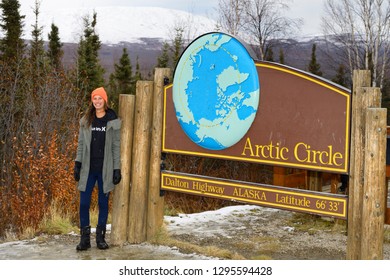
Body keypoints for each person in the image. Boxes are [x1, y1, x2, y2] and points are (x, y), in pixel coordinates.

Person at [73, 87, 122, 251]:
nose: (97, 101)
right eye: (95, 99)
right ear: (92, 101)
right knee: (84, 203)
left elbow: (116, 146)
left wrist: (116, 169)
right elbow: (80, 144)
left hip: (105, 169)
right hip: (88, 169)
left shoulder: (111, 120)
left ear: (105, 100)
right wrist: (77, 164)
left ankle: (100, 238)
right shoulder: (86, 120)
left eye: (100, 99)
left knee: (103, 203)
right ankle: (84, 240)